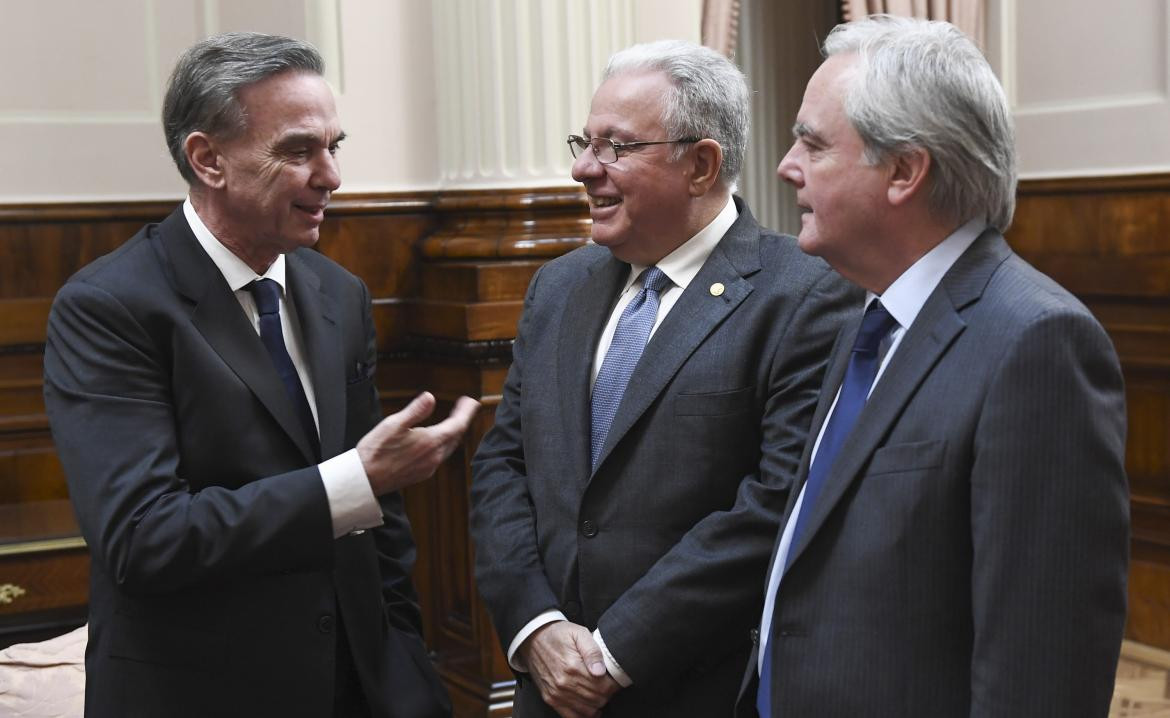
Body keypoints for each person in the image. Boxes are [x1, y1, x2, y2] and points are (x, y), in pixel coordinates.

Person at [43, 32, 477, 718]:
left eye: (335, 147)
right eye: (300, 150)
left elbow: (381, 527)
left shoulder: (339, 293)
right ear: (208, 159)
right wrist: (353, 481)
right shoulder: (110, 306)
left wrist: (405, 666)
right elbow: (143, 539)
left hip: (361, 686)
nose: (331, 176)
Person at [741, 15, 1130, 718]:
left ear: (903, 172)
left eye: (813, 142)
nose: (786, 164)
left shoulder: (1037, 344)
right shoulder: (865, 314)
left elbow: (1042, 673)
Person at [469, 39, 856, 718]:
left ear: (701, 164)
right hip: (548, 687)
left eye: (614, 147)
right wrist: (537, 628)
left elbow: (774, 506)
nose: (583, 168)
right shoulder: (558, 288)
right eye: (583, 143)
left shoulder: (806, 294)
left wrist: (611, 654)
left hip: (694, 690)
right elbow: (503, 463)